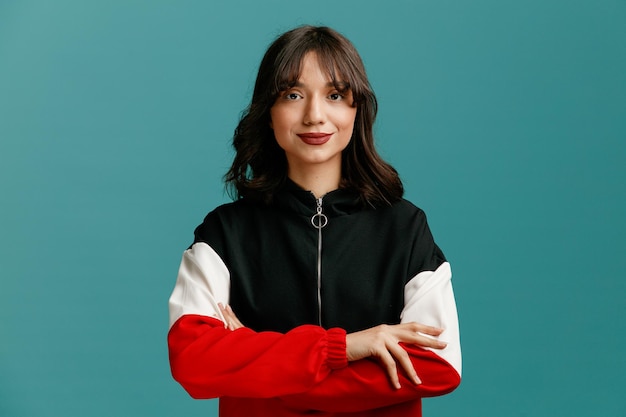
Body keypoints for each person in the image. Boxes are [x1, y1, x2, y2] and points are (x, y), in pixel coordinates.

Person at [167, 25, 461, 417]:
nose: (314, 115)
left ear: (357, 111)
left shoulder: (404, 228)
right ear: (268, 112)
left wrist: (259, 370)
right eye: (292, 95)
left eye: (336, 95)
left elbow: (438, 367)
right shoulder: (224, 234)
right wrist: (346, 347)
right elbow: (193, 361)